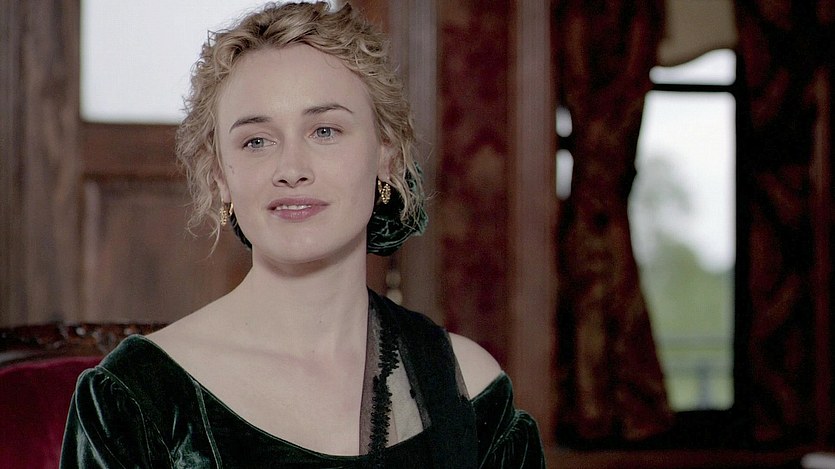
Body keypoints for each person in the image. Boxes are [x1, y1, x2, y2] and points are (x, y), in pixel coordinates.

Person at [60, 2, 545, 467]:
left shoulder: (474, 395)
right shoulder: (132, 401)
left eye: (325, 131)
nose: (291, 169)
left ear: (388, 154)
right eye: (257, 141)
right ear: (219, 176)